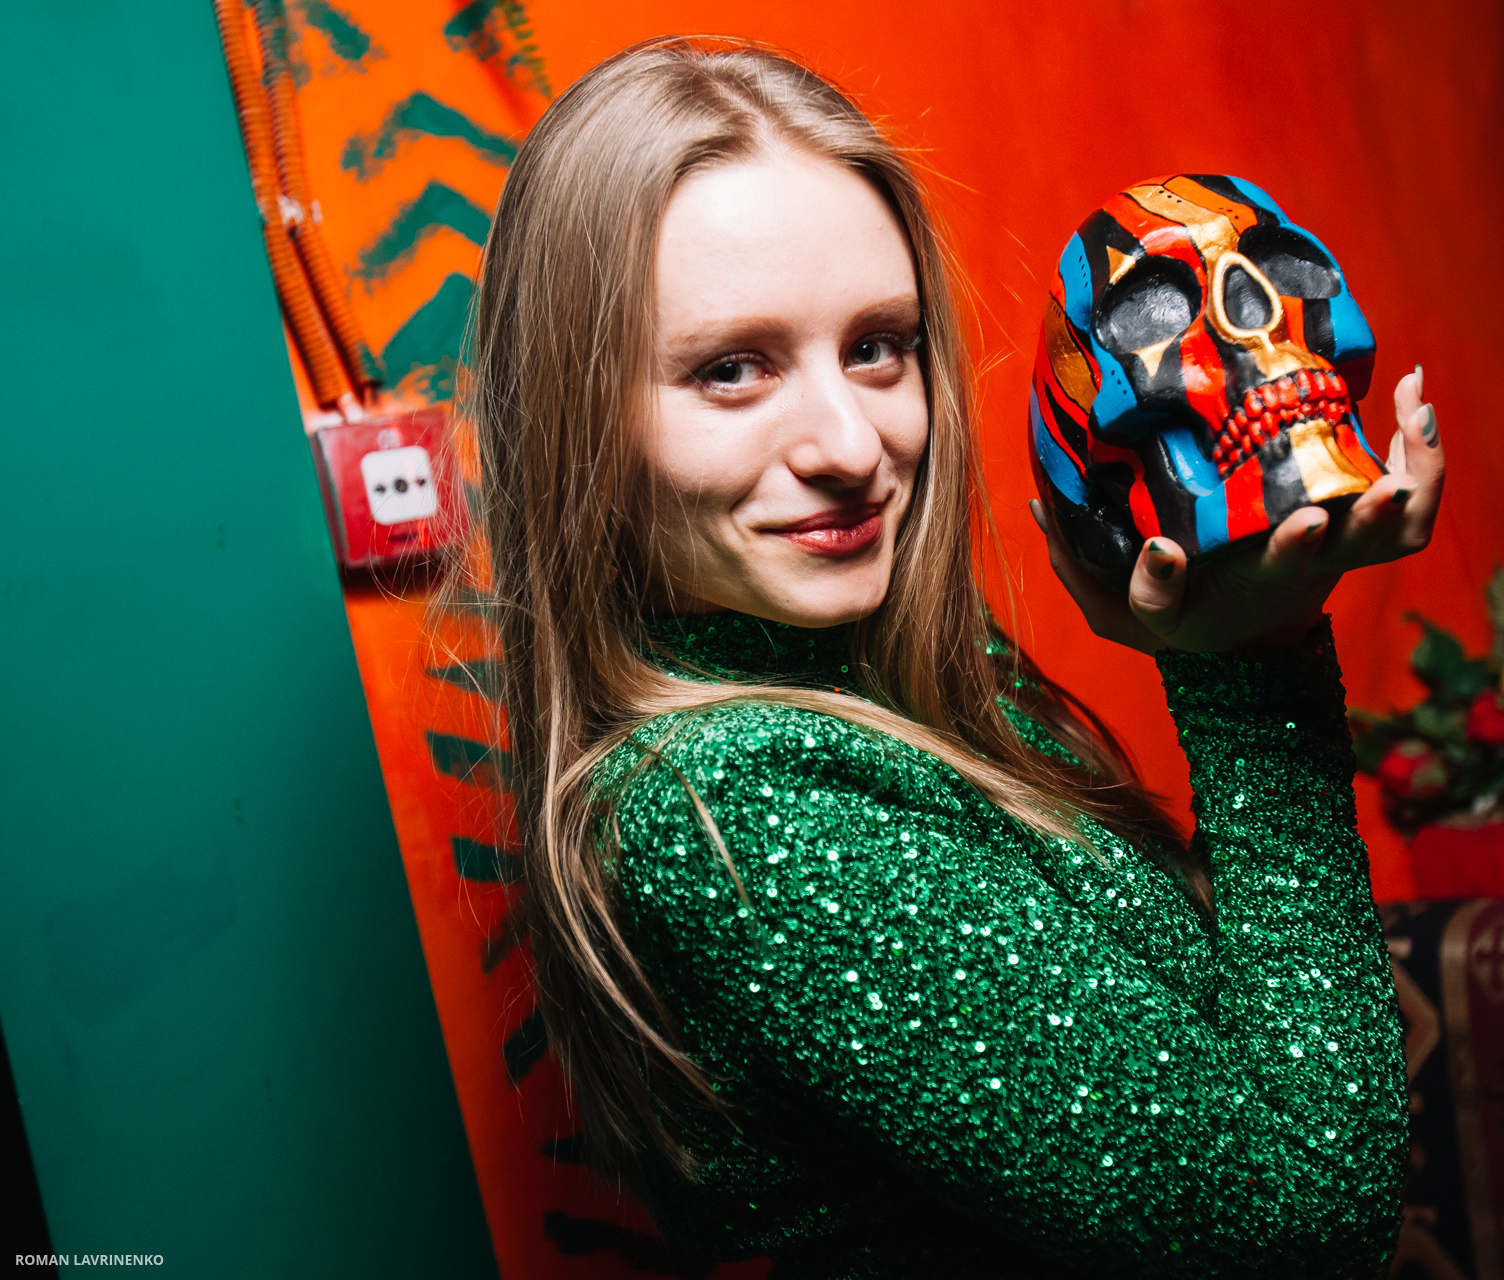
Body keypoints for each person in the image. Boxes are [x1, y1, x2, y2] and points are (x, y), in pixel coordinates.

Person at [463, 35, 1444, 1279]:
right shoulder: (737, 812)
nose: (850, 444)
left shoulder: (866, 670)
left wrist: (1198, 586)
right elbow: (1305, 1221)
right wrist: (1255, 668)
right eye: (731, 370)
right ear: (572, 415)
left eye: (878, 345)